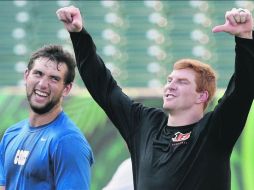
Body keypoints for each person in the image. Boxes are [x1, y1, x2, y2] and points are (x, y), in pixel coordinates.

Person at [57, 6, 254, 190]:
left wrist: (244, 38)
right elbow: (103, 87)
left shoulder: (214, 131)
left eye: (182, 82)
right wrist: (78, 34)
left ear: (201, 96)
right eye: (169, 80)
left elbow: (241, 91)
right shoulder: (144, 124)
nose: (170, 85)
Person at [0, 45, 94, 189]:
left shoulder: (68, 142)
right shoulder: (11, 134)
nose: (43, 84)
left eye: (54, 79)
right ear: (26, 75)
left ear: (66, 88)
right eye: (38, 73)